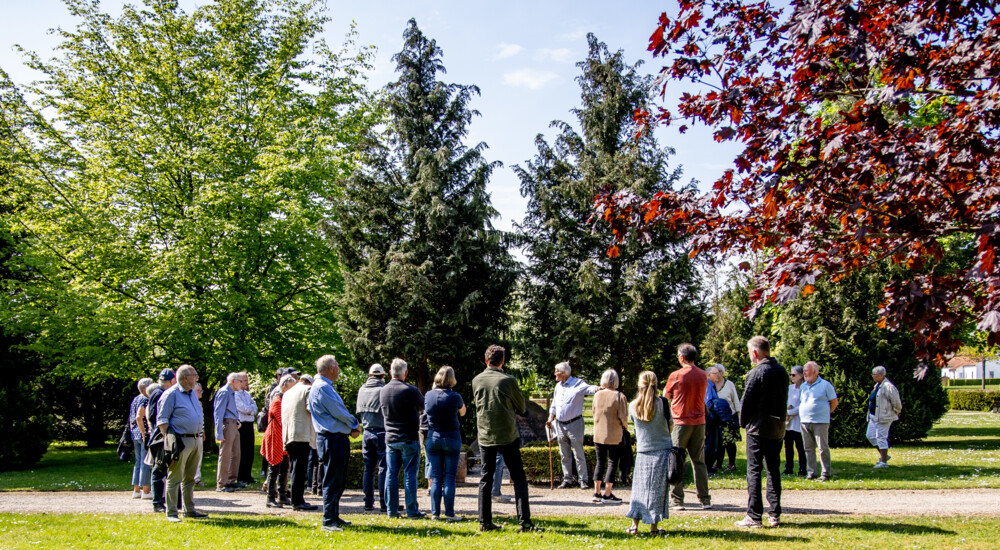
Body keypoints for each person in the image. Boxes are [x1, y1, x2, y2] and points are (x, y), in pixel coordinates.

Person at [473, 344, 536, 532]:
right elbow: (522, 407)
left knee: (486, 479)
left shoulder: (477, 380)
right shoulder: (508, 380)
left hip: (485, 435)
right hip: (507, 435)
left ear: (486, 360)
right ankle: (524, 522)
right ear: (502, 361)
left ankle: (484, 522)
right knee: (519, 478)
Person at [735, 336, 789, 528]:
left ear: (755, 352)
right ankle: (775, 514)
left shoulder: (757, 372)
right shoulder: (781, 371)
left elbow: (746, 401)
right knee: (773, 470)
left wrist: (743, 423)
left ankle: (754, 515)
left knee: (754, 470)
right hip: (777, 426)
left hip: (758, 427)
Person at [309, 354, 361, 532]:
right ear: (330, 368)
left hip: (335, 438)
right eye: (337, 365)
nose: (339, 369)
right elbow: (338, 411)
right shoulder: (323, 387)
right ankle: (328, 520)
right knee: (332, 480)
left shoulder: (323, 386)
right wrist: (354, 424)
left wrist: (349, 429)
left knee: (338, 479)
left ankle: (334, 516)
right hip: (332, 439)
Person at [155, 364, 208, 522]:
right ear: (185, 378)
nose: (197, 378)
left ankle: (189, 510)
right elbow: (162, 420)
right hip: (180, 441)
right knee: (175, 477)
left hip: (195, 439)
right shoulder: (171, 394)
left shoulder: (192, 393)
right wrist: (171, 442)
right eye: (194, 375)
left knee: (190, 477)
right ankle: (171, 512)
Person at [663, 343, 711, 509]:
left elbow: (666, 395)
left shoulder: (676, 375)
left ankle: (677, 499)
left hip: (681, 421)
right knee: (699, 461)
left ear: (682, 357)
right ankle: (705, 499)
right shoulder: (703, 375)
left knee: (677, 460)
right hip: (699, 422)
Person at [625, 371, 671, 536]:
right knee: (657, 491)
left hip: (644, 450)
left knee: (639, 489)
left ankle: (634, 525)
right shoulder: (663, 403)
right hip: (662, 449)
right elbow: (670, 425)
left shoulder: (633, 405)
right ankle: (654, 527)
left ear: (639, 384)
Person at [380, 357, 425, 519]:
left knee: (391, 474)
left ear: (391, 372)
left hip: (391, 438)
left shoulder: (383, 390)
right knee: (410, 475)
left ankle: (391, 510)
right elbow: (423, 406)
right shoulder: (410, 390)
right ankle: (412, 511)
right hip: (409, 437)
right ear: (406, 373)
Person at [546, 361, 598, 489]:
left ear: (563, 373)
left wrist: (598, 388)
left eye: (556, 371)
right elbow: (554, 404)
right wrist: (550, 418)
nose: (555, 374)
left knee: (578, 452)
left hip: (575, 423)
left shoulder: (578, 383)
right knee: (564, 454)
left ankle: (583, 480)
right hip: (559, 424)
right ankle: (567, 479)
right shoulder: (558, 386)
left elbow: (590, 389)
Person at [425, 366, 467, 520]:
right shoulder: (455, 397)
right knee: (449, 476)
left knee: (436, 477)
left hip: (434, 437)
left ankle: (435, 513)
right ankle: (449, 513)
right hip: (451, 437)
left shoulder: (428, 395)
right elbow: (462, 412)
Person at [591, 368, 627, 504]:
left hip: (599, 433)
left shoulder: (597, 395)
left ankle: (596, 492)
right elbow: (623, 417)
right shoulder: (619, 396)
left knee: (599, 462)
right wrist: (625, 428)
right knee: (612, 462)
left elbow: (594, 412)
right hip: (614, 433)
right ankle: (607, 493)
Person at [282, 374, 317, 511]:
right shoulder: (307, 390)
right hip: (302, 434)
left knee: (294, 466)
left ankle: (297, 499)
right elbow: (311, 408)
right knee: (299, 468)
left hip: (289, 434)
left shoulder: (288, 393)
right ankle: (297, 501)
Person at [799, 361, 839, 481]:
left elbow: (834, 402)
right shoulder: (803, 386)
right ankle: (811, 472)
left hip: (820, 421)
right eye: (804, 371)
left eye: (806, 371)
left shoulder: (825, 385)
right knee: (808, 448)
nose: (804, 373)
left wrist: (824, 414)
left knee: (822, 448)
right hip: (805, 421)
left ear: (815, 372)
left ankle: (825, 473)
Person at [356, 363, 388, 512]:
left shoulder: (361, 390)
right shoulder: (383, 390)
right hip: (382, 432)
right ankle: (384, 502)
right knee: (383, 468)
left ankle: (368, 502)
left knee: (368, 469)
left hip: (366, 432)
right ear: (382, 376)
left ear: (369, 375)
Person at [262, 374, 296, 507]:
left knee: (285, 467)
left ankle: (282, 495)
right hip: (275, 436)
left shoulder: (285, 401)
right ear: (283, 387)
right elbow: (282, 419)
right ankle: (270, 498)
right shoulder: (277, 401)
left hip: (283, 437)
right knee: (274, 468)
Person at [145, 368, 176, 514]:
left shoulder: (159, 392)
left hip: (164, 434)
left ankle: (171, 500)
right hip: (161, 436)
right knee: (159, 469)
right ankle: (157, 502)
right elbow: (154, 417)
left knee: (169, 469)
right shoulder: (160, 393)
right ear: (171, 381)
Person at [706, 365, 740, 473]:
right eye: (716, 372)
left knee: (729, 441)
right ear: (709, 374)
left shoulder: (729, 384)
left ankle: (731, 463)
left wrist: (737, 417)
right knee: (718, 442)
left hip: (728, 416)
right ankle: (717, 464)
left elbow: (736, 401)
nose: (718, 374)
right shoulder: (710, 385)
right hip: (715, 418)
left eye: (720, 371)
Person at [867, 365, 903, 468]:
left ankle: (883, 462)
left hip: (884, 417)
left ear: (881, 375)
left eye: (875, 374)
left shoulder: (888, 386)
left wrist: (896, 411)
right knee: (870, 436)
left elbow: (896, 401)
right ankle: (884, 455)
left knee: (881, 438)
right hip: (874, 416)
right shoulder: (877, 385)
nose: (873, 376)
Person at [213, 372, 242, 492]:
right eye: (239, 381)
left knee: (236, 454)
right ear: (232, 381)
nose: (241, 383)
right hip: (227, 424)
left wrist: (237, 420)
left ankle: (231, 480)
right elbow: (218, 412)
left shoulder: (232, 393)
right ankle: (221, 483)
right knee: (225, 454)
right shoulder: (224, 392)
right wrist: (219, 432)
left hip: (233, 423)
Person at [129, 378, 153, 500]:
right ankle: (146, 490)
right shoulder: (144, 399)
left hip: (135, 434)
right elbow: (139, 416)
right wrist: (144, 432)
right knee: (145, 462)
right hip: (142, 434)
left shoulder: (136, 399)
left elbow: (131, 418)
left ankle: (136, 489)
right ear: (145, 388)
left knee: (138, 462)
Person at [782, 365, 807, 476]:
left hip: (798, 420)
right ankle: (788, 468)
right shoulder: (789, 388)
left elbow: (803, 405)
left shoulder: (804, 388)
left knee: (800, 446)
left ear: (801, 375)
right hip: (788, 422)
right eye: (791, 374)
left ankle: (802, 468)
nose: (791, 377)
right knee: (788, 445)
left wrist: (789, 412)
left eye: (794, 374)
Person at [234, 372, 258, 484]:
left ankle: (248, 475)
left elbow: (254, 407)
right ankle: (241, 476)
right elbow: (243, 408)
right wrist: (250, 410)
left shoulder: (247, 394)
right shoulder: (236, 394)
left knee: (250, 451)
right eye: (244, 381)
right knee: (242, 450)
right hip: (242, 424)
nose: (246, 383)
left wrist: (250, 410)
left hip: (249, 423)